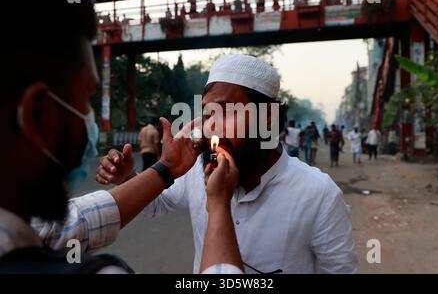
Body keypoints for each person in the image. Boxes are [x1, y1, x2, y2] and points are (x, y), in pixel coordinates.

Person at [0, 0, 245, 275]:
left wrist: (164, 169)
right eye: (88, 99)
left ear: (268, 117)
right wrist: (219, 206)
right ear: (38, 117)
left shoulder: (315, 191)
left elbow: (72, 224)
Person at [97, 54, 358, 273]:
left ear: (267, 119)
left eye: (226, 112)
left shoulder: (318, 193)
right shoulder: (196, 171)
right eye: (208, 114)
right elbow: (158, 204)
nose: (211, 126)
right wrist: (129, 177)